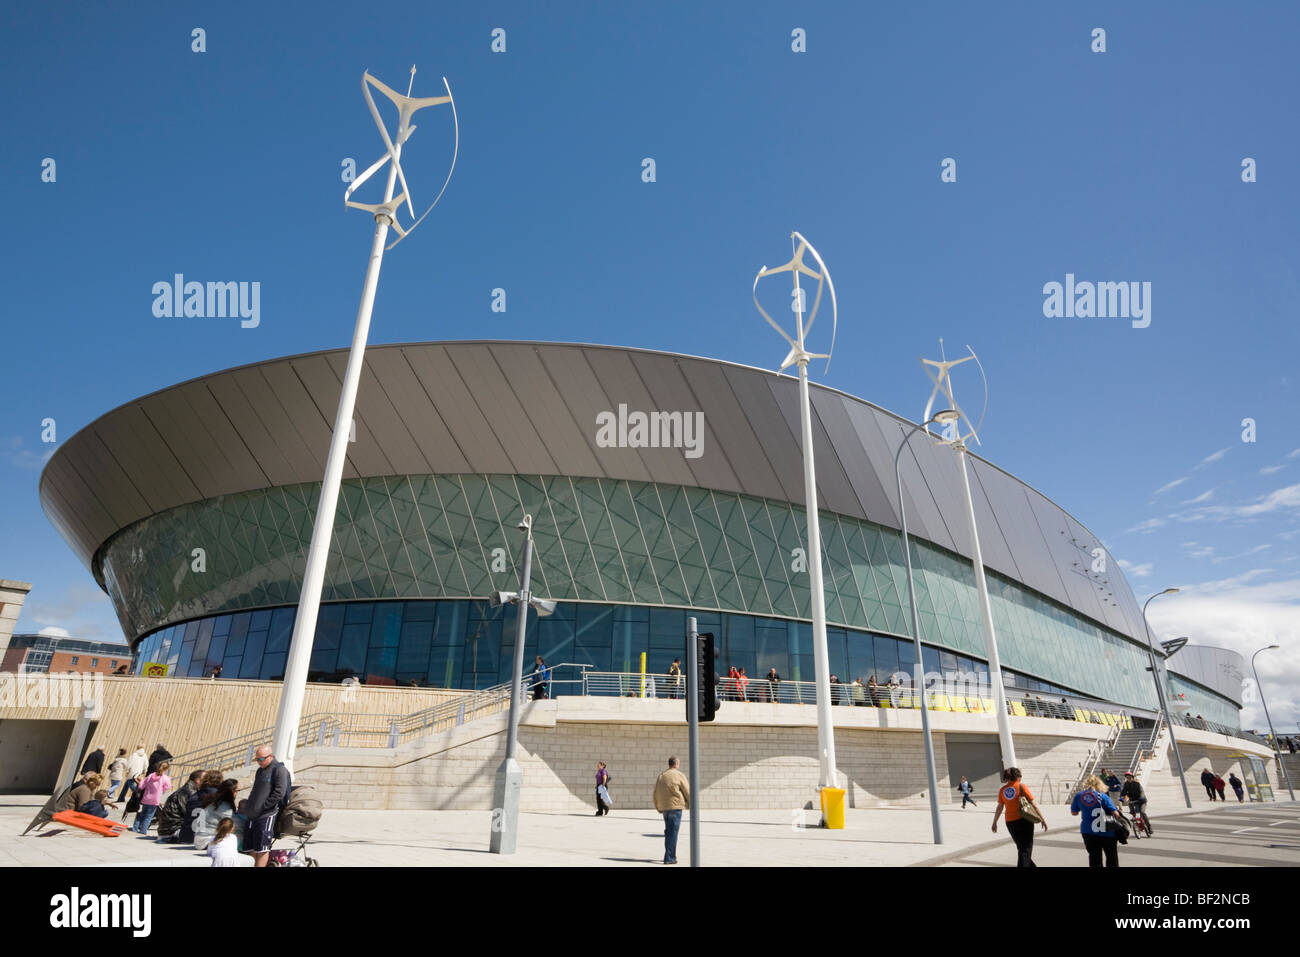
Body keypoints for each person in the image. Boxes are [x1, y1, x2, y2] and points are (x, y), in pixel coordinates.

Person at [245, 745, 291, 867]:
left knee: (262, 848)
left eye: (262, 759)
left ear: (271, 756)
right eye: (257, 759)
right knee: (251, 848)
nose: (259, 762)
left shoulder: (279, 770)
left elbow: (279, 793)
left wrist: (263, 806)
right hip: (252, 814)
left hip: (266, 814)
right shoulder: (260, 771)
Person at [992, 767, 1046, 867]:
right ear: (1016, 776)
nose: (1020, 778)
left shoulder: (1002, 790)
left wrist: (994, 822)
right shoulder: (1021, 786)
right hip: (1024, 820)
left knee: (1022, 849)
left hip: (1010, 823)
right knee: (1025, 849)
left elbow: (1000, 807)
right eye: (1020, 776)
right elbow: (1033, 804)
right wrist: (1042, 819)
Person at [1071, 774, 1121, 867]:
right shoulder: (1103, 796)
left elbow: (1074, 812)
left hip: (1088, 831)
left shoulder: (1079, 796)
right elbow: (1116, 814)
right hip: (1106, 832)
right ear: (1099, 784)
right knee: (1111, 857)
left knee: (1094, 857)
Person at [653, 756, 690, 865]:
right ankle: (669, 857)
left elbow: (655, 793)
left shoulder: (661, 776)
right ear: (676, 764)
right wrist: (692, 805)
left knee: (669, 832)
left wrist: (658, 807)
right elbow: (687, 791)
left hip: (664, 808)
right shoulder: (679, 775)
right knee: (672, 833)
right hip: (675, 807)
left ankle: (671, 855)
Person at [157, 770, 205, 843]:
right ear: (198, 780)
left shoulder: (187, 789)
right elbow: (190, 814)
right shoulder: (189, 792)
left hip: (169, 830)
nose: (208, 781)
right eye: (206, 779)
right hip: (171, 832)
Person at [194, 779, 239, 850]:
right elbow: (231, 826)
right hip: (207, 841)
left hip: (199, 840)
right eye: (237, 790)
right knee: (234, 838)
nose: (237, 793)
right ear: (232, 791)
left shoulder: (214, 802)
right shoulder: (225, 807)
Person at [132, 761, 172, 834]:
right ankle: (143, 831)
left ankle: (135, 828)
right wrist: (162, 789)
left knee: (142, 814)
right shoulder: (165, 778)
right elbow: (168, 787)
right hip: (155, 799)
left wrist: (140, 781)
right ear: (166, 769)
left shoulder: (150, 775)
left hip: (146, 798)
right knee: (148, 817)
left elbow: (141, 786)